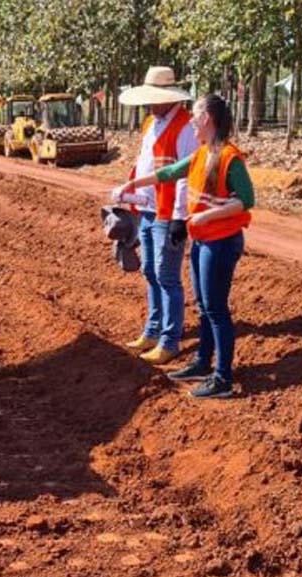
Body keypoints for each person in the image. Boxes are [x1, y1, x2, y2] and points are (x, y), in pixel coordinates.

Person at [113, 94, 255, 399]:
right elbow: (168, 172)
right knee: (204, 306)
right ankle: (203, 362)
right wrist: (132, 185)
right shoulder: (203, 154)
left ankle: (223, 378)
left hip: (221, 241)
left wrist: (207, 214)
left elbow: (246, 199)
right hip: (203, 239)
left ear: (207, 119)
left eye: (197, 114)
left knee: (216, 309)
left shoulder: (229, 156)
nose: (191, 119)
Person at [113, 67, 199, 365]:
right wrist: (130, 194)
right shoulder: (152, 123)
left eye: (154, 99)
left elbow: (188, 174)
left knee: (167, 276)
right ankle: (152, 329)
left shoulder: (186, 127)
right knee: (150, 271)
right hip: (147, 209)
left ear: (169, 98)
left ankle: (170, 340)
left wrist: (179, 217)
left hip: (168, 212)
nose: (149, 105)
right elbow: (145, 164)